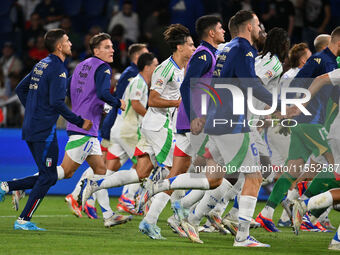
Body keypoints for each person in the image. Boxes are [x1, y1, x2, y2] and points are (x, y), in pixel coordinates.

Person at [140, 10, 279, 247]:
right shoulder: (212, 53)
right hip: (207, 122)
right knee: (250, 174)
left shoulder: (220, 52)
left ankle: (170, 200)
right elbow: (189, 86)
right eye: (257, 25)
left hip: (212, 120)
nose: (192, 48)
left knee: (214, 178)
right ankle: (229, 230)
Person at [80, 24, 195, 239]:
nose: (194, 48)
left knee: (140, 173)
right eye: (190, 44)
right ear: (179, 47)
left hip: (153, 126)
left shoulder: (180, 70)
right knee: (177, 170)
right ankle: (160, 217)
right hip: (159, 125)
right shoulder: (165, 68)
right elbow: (152, 100)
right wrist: (178, 102)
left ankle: (96, 184)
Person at [0, 29, 92, 231]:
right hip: (44, 130)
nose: (70, 43)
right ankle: (22, 218)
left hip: (32, 126)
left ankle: (8, 188)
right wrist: (78, 121)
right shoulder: (59, 69)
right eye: (67, 41)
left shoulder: (41, 64)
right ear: (59, 46)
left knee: (47, 175)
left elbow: (20, 89)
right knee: (49, 176)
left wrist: (34, 110)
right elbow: (58, 103)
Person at [256, 26, 340, 233]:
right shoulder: (321, 60)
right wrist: (293, 107)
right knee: (333, 167)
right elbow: (299, 83)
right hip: (312, 122)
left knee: (293, 169)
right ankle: (304, 207)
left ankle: (266, 214)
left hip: (309, 122)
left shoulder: (330, 62)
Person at [65, 43, 148, 218]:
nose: (113, 50)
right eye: (145, 55)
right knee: (144, 164)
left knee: (105, 169)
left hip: (111, 123)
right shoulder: (133, 74)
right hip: (123, 126)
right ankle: (127, 198)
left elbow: (78, 89)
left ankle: (90, 202)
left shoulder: (89, 66)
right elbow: (114, 97)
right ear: (136, 57)